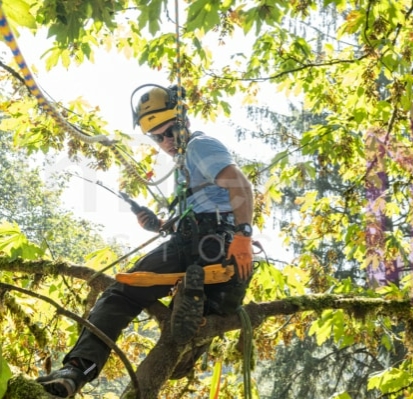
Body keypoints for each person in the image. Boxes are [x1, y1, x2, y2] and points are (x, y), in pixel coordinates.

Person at [37, 84, 254, 398]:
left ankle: (76, 370)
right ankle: (191, 309)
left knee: (120, 297)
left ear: (185, 122)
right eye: (157, 136)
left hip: (214, 242)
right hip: (200, 244)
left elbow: (242, 187)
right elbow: (204, 206)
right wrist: (160, 225)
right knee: (184, 320)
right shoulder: (184, 163)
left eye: (171, 132)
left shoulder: (200, 146)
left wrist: (243, 237)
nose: (166, 141)